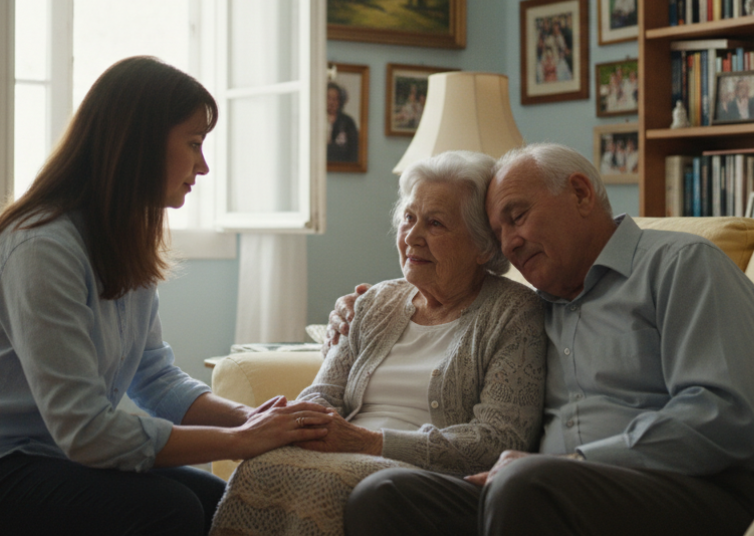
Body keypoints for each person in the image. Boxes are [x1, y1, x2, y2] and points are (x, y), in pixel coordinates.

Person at [0, 56, 334, 536]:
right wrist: (237, 439)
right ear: (141, 146)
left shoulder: (122, 240)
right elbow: (87, 433)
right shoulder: (41, 248)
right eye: (194, 144)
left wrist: (251, 420)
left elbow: (154, 378)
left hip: (42, 461)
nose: (203, 166)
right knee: (170, 509)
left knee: (221, 502)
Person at [328, 143, 754, 536]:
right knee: (384, 495)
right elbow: (448, 296)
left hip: (702, 488)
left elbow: (727, 418)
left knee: (524, 486)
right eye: (498, 231)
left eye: (518, 216)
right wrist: (364, 306)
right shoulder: (533, 307)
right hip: (539, 492)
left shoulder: (683, 265)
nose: (508, 243)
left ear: (580, 193)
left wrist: (578, 461)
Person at [209, 151, 546, 536]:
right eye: (408, 218)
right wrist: (308, 427)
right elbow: (323, 392)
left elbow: (497, 439)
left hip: (426, 477)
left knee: (330, 484)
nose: (412, 237)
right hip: (345, 451)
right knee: (260, 467)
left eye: (435, 223)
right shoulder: (375, 302)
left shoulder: (515, 313)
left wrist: (370, 442)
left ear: (483, 246)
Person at [327, 81, 359, 164]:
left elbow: (353, 150)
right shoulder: (315, 120)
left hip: (342, 166)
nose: (331, 102)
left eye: (335, 99)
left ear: (340, 101)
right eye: (328, 98)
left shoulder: (348, 122)